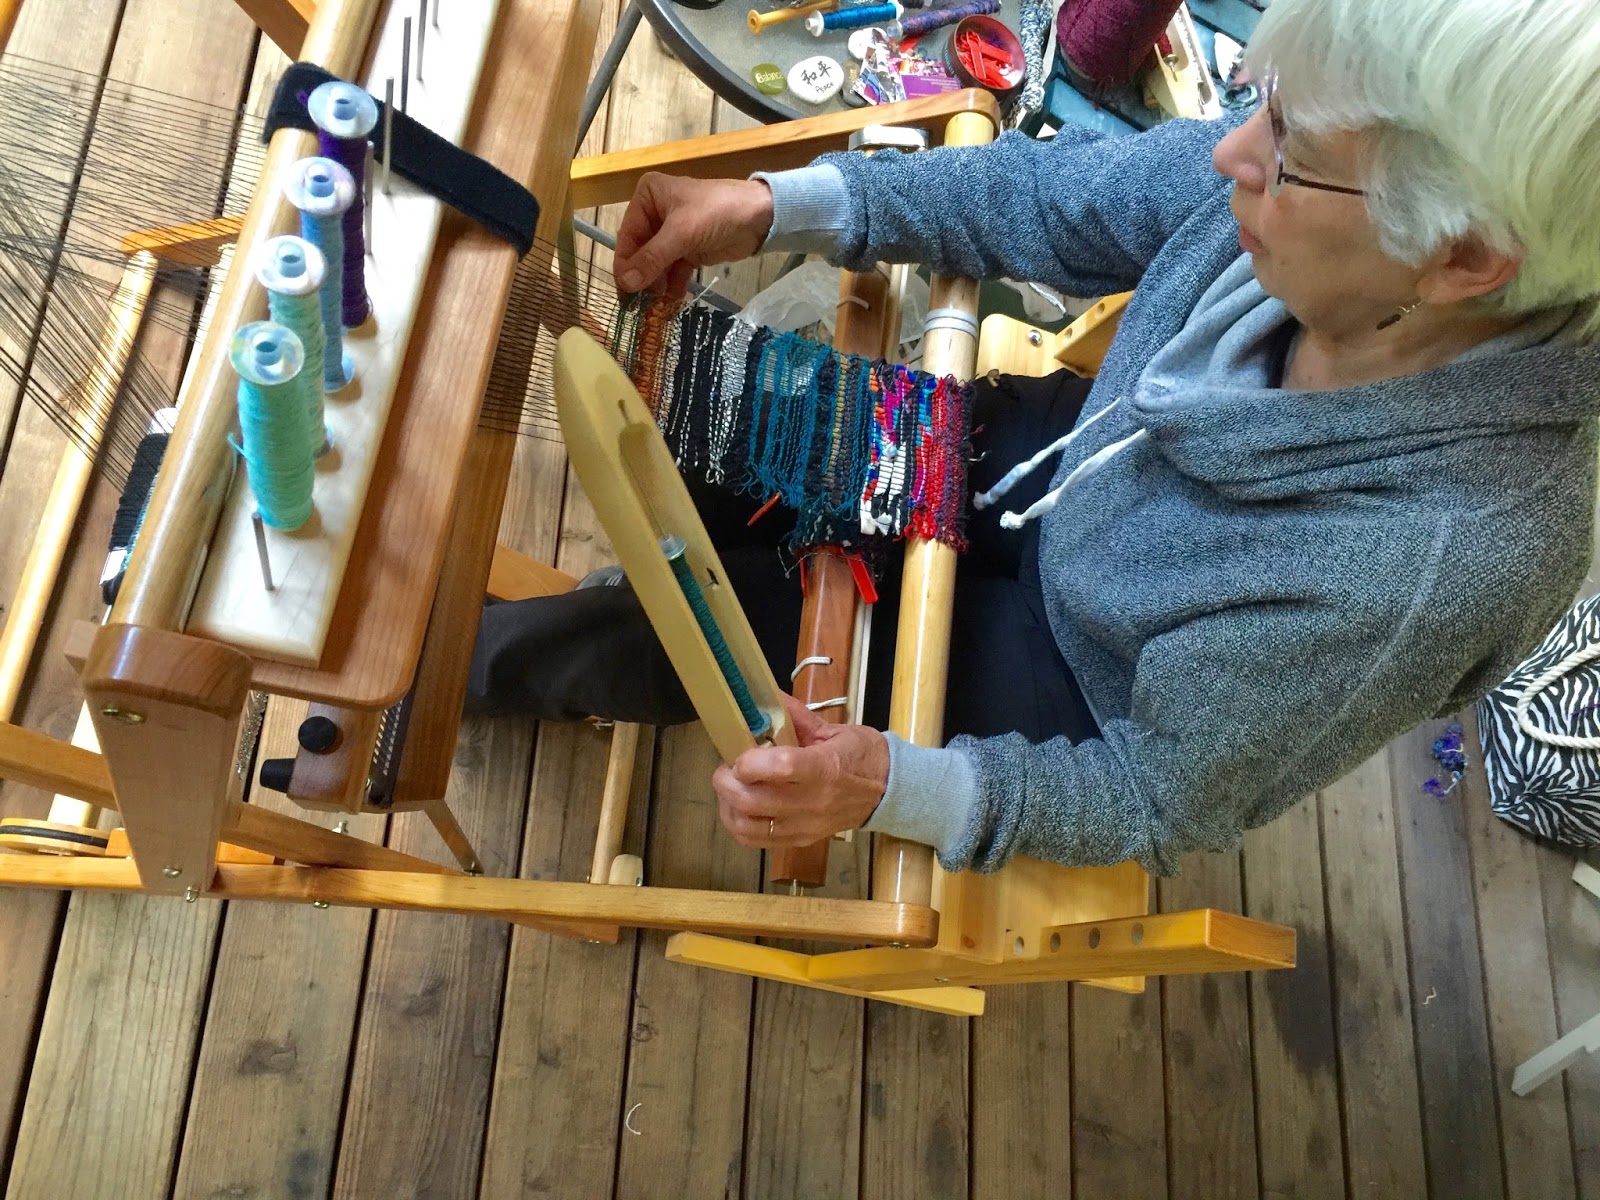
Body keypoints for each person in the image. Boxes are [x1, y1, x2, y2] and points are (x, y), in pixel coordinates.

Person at [471, 0, 1600, 875]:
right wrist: (786, 206)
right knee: (714, 440)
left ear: (1460, 261)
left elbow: (1158, 798)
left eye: (1287, 145)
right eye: (1261, 101)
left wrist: (893, 789)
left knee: (679, 633)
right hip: (1077, 466)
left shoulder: (1422, 568)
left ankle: (462, 667)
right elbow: (1067, 200)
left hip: (1081, 676)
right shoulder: (1324, 202)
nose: (1227, 156)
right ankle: (663, 563)